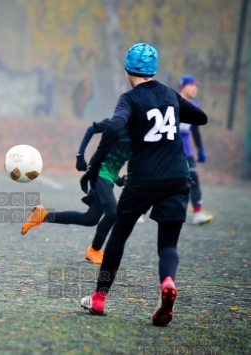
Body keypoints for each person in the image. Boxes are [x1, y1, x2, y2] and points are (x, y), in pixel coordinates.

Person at [78, 43, 208, 327]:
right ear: (154, 70)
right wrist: (174, 111)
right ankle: (167, 283)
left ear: (127, 70)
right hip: (176, 178)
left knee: (119, 236)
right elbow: (201, 118)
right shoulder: (170, 94)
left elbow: (115, 126)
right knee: (168, 246)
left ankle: (99, 299)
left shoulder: (129, 99)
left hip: (142, 180)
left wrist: (95, 164)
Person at [21, 118, 131, 264]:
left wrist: (118, 179)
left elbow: (117, 158)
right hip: (98, 171)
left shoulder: (143, 136)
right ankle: (95, 250)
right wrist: (80, 156)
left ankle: (43, 216)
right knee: (112, 213)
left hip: (108, 176)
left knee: (90, 219)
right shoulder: (117, 122)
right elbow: (91, 129)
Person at [179, 75, 213, 225]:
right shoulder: (171, 102)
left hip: (187, 153)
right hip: (169, 151)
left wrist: (200, 149)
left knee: (194, 178)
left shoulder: (195, 107)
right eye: (191, 85)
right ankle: (138, 211)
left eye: (196, 86)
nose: (195, 88)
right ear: (183, 86)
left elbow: (195, 130)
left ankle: (197, 213)